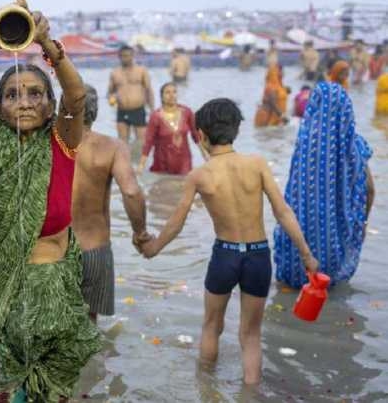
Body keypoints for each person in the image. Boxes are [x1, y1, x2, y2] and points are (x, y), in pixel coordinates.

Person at [0, 0, 100, 401]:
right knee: (1, 393)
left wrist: (46, 42)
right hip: (3, 297)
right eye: (11, 95)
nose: (24, 102)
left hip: (58, 291)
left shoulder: (61, 141)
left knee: (57, 393)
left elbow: (76, 96)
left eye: (35, 94)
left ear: (50, 107)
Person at [140, 98, 320, 385]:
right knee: (251, 335)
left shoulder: (199, 175)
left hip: (225, 256)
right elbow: (283, 212)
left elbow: (176, 222)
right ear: (236, 129)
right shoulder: (257, 164)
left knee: (212, 326)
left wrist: (153, 248)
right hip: (258, 255)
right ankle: (250, 393)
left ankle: (205, 388)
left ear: (201, 135)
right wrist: (306, 255)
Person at [274, 82, 374, 289]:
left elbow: (292, 190)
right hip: (337, 238)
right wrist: (363, 223)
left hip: (299, 239)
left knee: (292, 292)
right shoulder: (356, 146)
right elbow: (370, 190)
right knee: (330, 290)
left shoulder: (305, 144)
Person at [73, 85, 150, 321]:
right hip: (95, 250)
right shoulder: (112, 147)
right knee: (88, 326)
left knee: (51, 326)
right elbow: (131, 192)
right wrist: (140, 233)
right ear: (95, 112)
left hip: (53, 251)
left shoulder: (47, 145)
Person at [138, 82, 200, 175]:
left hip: (184, 161)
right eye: (167, 92)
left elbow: (196, 135)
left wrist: (206, 155)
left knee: (184, 182)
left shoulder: (187, 112)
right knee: (163, 183)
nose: (171, 95)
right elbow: (148, 141)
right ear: (161, 96)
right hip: (162, 162)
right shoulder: (156, 116)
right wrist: (141, 165)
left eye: (174, 92)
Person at [108, 45, 154, 143]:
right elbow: (110, 92)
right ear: (119, 57)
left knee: (141, 142)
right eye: (123, 56)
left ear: (133, 56)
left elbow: (149, 90)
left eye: (128, 56)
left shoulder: (141, 70)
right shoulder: (115, 73)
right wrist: (111, 99)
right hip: (122, 110)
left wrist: (152, 110)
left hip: (138, 110)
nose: (126, 58)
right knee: (122, 142)